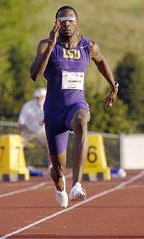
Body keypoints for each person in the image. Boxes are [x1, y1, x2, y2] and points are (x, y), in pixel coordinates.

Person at [30, 6, 118, 208]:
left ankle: (77, 184)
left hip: (76, 105)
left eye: (70, 19)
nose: (67, 23)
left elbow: (101, 61)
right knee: (58, 171)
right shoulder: (46, 45)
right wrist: (52, 44)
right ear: (56, 24)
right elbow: (35, 75)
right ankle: (60, 185)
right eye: (62, 20)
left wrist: (114, 85)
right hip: (53, 111)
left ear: (77, 22)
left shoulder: (88, 46)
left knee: (81, 122)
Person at [18, 88, 49, 166]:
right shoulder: (27, 106)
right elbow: (21, 121)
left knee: (51, 145)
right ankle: (21, 165)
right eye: (37, 97)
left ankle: (52, 165)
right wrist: (20, 136)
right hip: (28, 130)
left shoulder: (49, 105)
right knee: (19, 146)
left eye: (41, 97)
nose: (39, 99)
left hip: (42, 130)